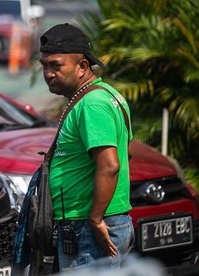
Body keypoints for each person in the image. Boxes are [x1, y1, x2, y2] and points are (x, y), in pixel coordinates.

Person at [38, 23, 134, 272]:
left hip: (89, 228)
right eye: (44, 66)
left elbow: (110, 166)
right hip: (88, 225)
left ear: (82, 66)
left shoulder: (92, 103)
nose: (48, 73)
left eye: (56, 65)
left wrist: (95, 218)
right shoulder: (105, 95)